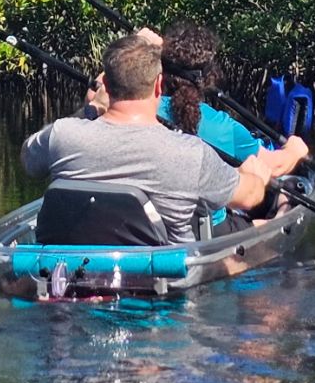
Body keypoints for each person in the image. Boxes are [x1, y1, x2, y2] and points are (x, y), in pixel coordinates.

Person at [21, 32, 277, 246]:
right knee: (267, 222)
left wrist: (89, 112)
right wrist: (255, 175)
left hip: (69, 279)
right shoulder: (190, 154)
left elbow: (28, 161)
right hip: (164, 289)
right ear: (158, 86)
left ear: (105, 85)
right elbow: (250, 198)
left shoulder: (61, 135)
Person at [156, 19, 310, 182]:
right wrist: (294, 150)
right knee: (284, 195)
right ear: (210, 76)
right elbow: (273, 166)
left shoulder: (142, 111)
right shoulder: (223, 127)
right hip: (214, 205)